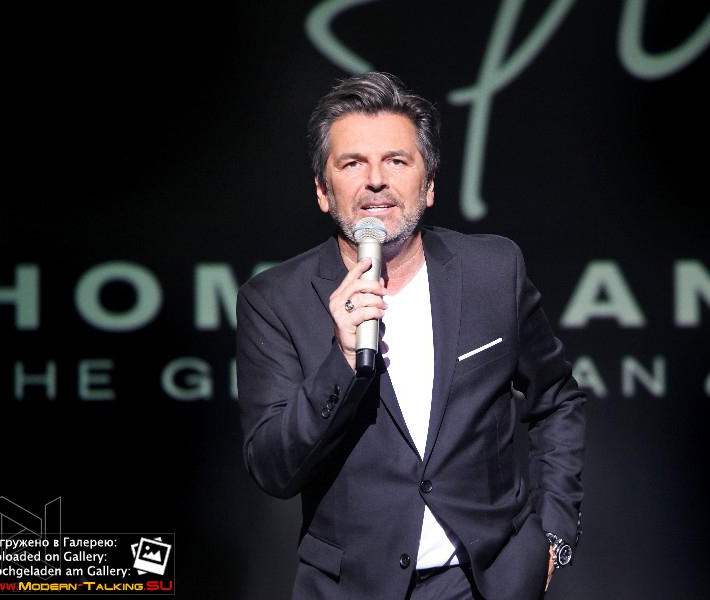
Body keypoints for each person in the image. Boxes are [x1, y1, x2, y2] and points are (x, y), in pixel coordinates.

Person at [236, 72, 585, 599]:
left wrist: (553, 534)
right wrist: (342, 360)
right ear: (323, 191)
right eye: (353, 163)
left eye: (396, 161)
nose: (376, 180)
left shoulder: (493, 270)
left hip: (486, 583)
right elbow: (273, 469)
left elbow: (556, 400)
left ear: (429, 183)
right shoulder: (274, 300)